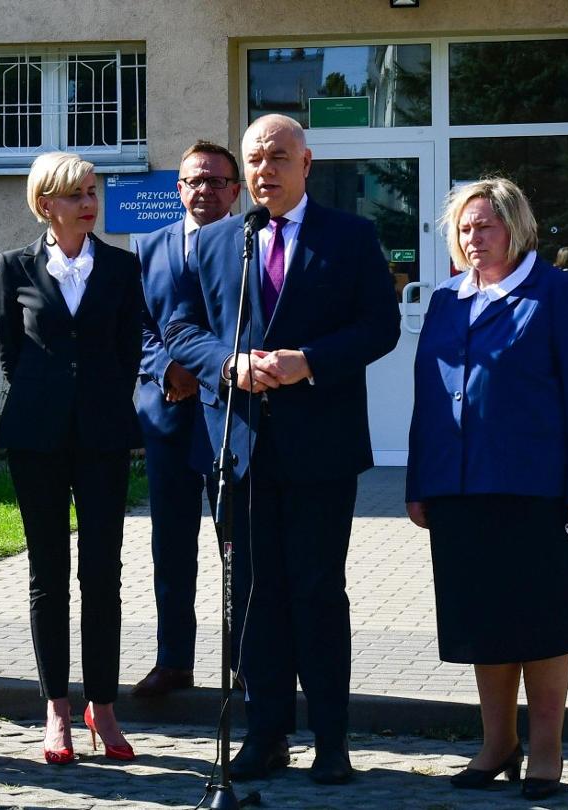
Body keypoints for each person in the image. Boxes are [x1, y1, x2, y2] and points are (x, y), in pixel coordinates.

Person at [165, 113, 400, 785]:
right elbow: (180, 325)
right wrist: (226, 361)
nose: (265, 168)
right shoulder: (216, 243)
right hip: (240, 449)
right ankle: (265, 733)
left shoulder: (351, 237)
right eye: (255, 158)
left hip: (320, 448)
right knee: (252, 596)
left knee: (318, 591)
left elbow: (379, 326)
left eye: (278, 156)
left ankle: (331, 739)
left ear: (307, 163)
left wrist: (310, 361)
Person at [406, 177, 568, 800]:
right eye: (464, 229)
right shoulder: (446, 300)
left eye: (485, 226)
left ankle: (546, 750)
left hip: (537, 491)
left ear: (516, 229)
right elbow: (430, 399)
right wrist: (419, 482)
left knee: (543, 624)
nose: (473, 238)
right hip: (460, 490)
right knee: (483, 623)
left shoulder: (554, 293)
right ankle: (497, 743)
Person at [0, 151, 145, 764]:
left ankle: (102, 707)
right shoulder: (13, 267)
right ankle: (56, 708)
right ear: (45, 203)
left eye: (93, 191)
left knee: (101, 573)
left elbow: (128, 351)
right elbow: (10, 353)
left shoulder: (122, 267)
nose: (90, 202)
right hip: (37, 440)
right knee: (47, 576)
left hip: (105, 439)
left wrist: (97, 403)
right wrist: (46, 402)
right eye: (76, 193)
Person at [130, 140, 242, 699]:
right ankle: (173, 659)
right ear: (178, 189)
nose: (204, 190)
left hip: (232, 416)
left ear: (235, 191)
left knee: (239, 546)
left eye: (216, 182)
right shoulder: (149, 246)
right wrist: (165, 368)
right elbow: (141, 326)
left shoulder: (252, 246)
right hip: (168, 416)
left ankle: (247, 663)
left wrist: (209, 372)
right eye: (194, 181)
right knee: (171, 547)